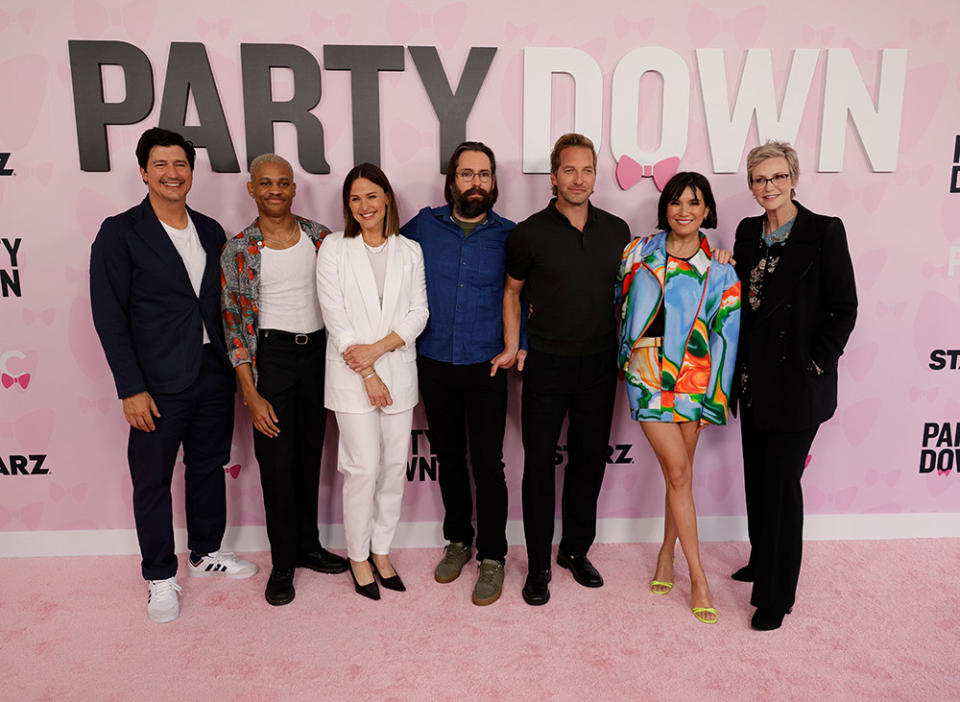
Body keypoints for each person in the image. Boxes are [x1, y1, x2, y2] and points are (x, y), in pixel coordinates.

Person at [90, 127, 256, 624]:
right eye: (160, 165)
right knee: (153, 480)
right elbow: (109, 315)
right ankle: (160, 576)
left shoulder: (209, 230)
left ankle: (206, 553)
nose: (171, 174)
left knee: (208, 465)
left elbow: (222, 306)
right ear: (143, 172)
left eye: (180, 164)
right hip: (156, 382)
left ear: (192, 171)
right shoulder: (120, 232)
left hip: (211, 371)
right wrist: (130, 387)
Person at [499, 133, 630, 606]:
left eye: (587, 169)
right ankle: (537, 567)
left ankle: (575, 550)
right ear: (553, 177)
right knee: (538, 467)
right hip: (546, 367)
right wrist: (514, 346)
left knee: (589, 463)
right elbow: (512, 292)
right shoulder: (528, 233)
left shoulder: (618, 230)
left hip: (599, 365)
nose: (579, 179)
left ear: (596, 175)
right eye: (569, 170)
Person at [731, 141, 857, 631]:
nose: (770, 187)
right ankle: (763, 561)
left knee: (783, 487)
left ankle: (777, 595)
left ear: (794, 178)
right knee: (757, 481)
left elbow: (843, 307)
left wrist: (818, 364)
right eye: (761, 179)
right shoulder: (746, 232)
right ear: (751, 184)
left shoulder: (823, 231)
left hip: (798, 385)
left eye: (778, 177)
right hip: (752, 381)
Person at [220, 153, 349, 607]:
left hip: (318, 358)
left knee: (309, 458)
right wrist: (250, 393)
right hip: (270, 361)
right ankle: (282, 562)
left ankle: (309, 547)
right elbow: (234, 326)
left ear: (294, 189)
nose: (276, 190)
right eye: (266, 183)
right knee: (276, 466)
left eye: (284, 182)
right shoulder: (238, 250)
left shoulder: (321, 239)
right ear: (251, 189)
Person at [400, 141, 521, 606]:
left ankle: (492, 557)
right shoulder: (422, 228)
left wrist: (520, 347)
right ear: (452, 181)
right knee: (449, 458)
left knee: (488, 464)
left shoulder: (510, 236)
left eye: (484, 175)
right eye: (466, 174)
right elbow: (378, 257)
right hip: (432, 361)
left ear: (494, 183)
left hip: (487, 364)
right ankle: (458, 540)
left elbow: (525, 297)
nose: (476, 182)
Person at [618, 172, 741, 624]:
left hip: (696, 383)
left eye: (694, 202)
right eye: (676, 202)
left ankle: (666, 555)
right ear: (664, 207)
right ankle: (700, 577)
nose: (684, 211)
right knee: (677, 472)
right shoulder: (637, 253)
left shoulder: (722, 269)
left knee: (679, 479)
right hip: (647, 377)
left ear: (707, 210)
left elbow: (727, 336)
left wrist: (716, 399)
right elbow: (610, 298)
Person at [315, 163, 428, 601]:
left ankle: (382, 550)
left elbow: (419, 313)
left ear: (387, 200)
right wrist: (366, 371)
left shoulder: (410, 251)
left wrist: (378, 355)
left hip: (397, 374)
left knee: (393, 467)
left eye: (372, 196)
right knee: (361, 468)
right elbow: (335, 318)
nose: (365, 206)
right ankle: (358, 556)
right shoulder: (333, 249)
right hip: (350, 377)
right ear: (348, 204)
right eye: (356, 198)